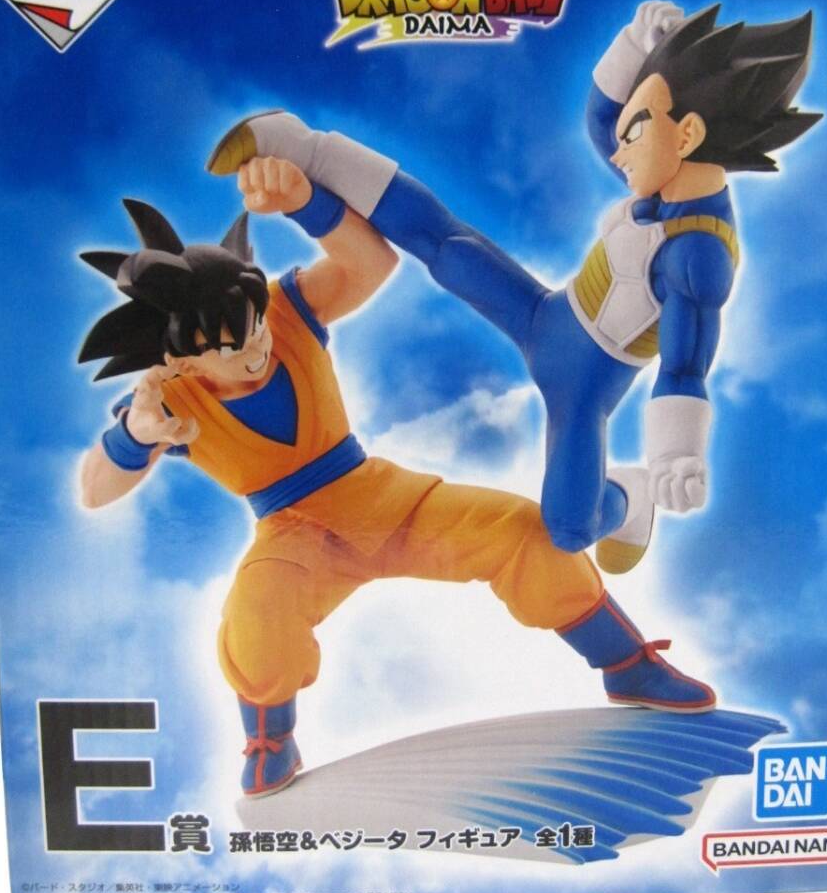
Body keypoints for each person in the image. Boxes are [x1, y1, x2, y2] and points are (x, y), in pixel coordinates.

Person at [77, 158, 716, 798]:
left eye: (255, 329)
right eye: (229, 348)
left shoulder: (285, 311)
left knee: (525, 535)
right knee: (258, 613)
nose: (256, 350)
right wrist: (134, 437)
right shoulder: (169, 400)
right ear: (179, 359)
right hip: (295, 535)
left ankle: (626, 663)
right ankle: (270, 738)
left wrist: (305, 201)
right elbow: (93, 489)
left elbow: (370, 264)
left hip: (382, 496)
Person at [206, 1, 821, 573]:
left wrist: (674, 455)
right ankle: (307, 149)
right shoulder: (665, 177)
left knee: (570, 529)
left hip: (584, 388)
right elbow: (602, 120)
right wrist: (634, 43)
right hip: (545, 315)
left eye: (637, 130)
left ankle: (629, 497)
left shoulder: (699, 253)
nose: (618, 148)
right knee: (444, 244)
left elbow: (685, 367)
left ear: (686, 136)